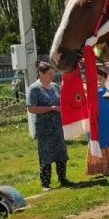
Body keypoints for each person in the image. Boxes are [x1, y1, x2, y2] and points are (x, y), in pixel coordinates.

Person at [26, 61, 70, 190]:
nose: (52, 76)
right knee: (46, 154)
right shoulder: (34, 88)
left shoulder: (55, 86)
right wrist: (50, 108)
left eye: (53, 74)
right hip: (44, 127)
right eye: (49, 74)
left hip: (57, 125)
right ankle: (45, 183)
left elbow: (61, 102)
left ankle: (63, 179)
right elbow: (32, 109)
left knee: (61, 152)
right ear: (41, 73)